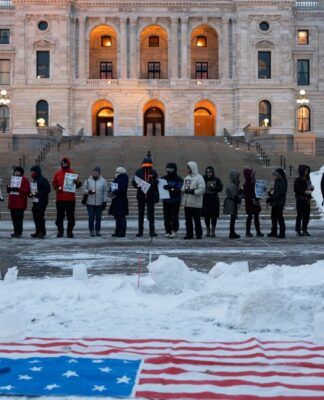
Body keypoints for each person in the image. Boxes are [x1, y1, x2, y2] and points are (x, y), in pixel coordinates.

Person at [52, 157, 81, 238]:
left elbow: (78, 185)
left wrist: (76, 183)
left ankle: (69, 231)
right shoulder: (57, 173)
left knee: (71, 217)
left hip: (70, 199)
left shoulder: (72, 173)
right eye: (63, 163)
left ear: (68, 163)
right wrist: (56, 188)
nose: (64, 164)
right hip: (60, 199)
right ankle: (60, 231)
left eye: (65, 163)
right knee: (59, 217)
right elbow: (54, 184)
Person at [132, 155, 159, 237]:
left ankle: (152, 231)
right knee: (141, 214)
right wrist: (138, 186)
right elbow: (133, 182)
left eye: (149, 166)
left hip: (151, 196)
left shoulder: (153, 172)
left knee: (151, 215)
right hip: (141, 196)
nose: (147, 167)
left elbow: (156, 183)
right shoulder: (138, 172)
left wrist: (155, 182)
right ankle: (140, 232)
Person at [182, 161, 205, 240]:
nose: (187, 169)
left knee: (197, 220)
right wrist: (184, 190)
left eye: (188, 168)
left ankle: (199, 234)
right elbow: (184, 187)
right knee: (188, 221)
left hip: (196, 203)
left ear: (192, 168)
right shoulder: (187, 178)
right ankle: (189, 234)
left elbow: (201, 190)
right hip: (187, 203)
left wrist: (193, 191)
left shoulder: (199, 178)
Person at [83, 166, 108, 237]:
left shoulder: (103, 181)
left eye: (97, 171)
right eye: (94, 171)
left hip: (99, 203)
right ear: (92, 172)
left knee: (98, 217)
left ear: (99, 173)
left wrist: (104, 201)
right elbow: (83, 190)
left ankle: (97, 231)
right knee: (91, 217)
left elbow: (105, 192)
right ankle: (91, 231)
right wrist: (89, 191)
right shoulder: (88, 181)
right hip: (90, 203)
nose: (96, 173)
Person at [7, 166, 30, 238]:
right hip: (12, 202)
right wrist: (8, 187)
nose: (16, 172)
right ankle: (15, 231)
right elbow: (9, 191)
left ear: (21, 172)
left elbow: (27, 190)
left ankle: (19, 232)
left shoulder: (25, 179)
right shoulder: (12, 179)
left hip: (20, 203)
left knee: (18, 218)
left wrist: (18, 189)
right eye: (15, 171)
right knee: (13, 218)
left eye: (18, 171)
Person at [161, 163, 183, 238]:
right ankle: (167, 231)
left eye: (171, 169)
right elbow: (160, 186)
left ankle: (174, 230)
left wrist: (170, 188)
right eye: (168, 169)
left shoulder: (179, 179)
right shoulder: (164, 178)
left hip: (175, 200)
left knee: (174, 216)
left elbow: (178, 188)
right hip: (166, 200)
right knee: (166, 216)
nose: (169, 171)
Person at [29, 165, 51, 238]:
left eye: (33, 172)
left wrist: (39, 194)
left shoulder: (43, 179)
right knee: (35, 216)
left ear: (37, 172)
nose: (31, 173)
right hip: (35, 202)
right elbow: (33, 191)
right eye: (31, 172)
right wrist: (30, 194)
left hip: (42, 201)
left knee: (40, 216)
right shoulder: (34, 181)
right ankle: (37, 231)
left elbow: (47, 189)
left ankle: (42, 231)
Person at [202, 166, 223, 237]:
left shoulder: (216, 179)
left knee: (214, 217)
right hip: (206, 200)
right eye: (208, 172)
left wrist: (215, 188)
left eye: (210, 172)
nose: (209, 173)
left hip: (214, 200)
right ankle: (208, 231)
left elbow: (220, 188)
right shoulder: (203, 179)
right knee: (206, 216)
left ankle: (213, 231)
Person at [267, 168, 287, 239]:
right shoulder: (277, 180)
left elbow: (280, 192)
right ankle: (274, 231)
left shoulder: (283, 181)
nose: (274, 176)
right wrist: (270, 193)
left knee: (279, 217)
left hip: (279, 202)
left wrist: (272, 197)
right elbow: (275, 190)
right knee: (273, 217)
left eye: (275, 175)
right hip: (275, 202)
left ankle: (282, 233)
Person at [243, 168, 264, 237]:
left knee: (256, 217)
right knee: (250, 216)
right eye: (252, 175)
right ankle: (247, 231)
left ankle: (258, 231)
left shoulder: (254, 183)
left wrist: (261, 192)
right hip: (250, 202)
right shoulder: (246, 184)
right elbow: (246, 195)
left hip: (255, 202)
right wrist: (252, 198)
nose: (253, 176)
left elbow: (258, 192)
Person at [109, 167, 129, 237]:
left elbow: (122, 189)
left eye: (117, 172)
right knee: (117, 217)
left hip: (121, 200)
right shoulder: (118, 179)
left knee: (121, 217)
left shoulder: (123, 179)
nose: (115, 173)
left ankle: (122, 232)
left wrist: (114, 191)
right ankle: (117, 231)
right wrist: (110, 190)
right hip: (116, 200)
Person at [294, 164, 314, 236]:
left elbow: (310, 187)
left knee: (306, 216)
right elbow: (296, 189)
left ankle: (304, 229)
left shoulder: (308, 179)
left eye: (308, 170)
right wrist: (304, 192)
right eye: (306, 170)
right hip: (300, 200)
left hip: (307, 200)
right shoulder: (298, 179)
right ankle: (298, 230)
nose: (307, 171)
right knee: (299, 216)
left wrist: (311, 188)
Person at [223, 171, 242, 239]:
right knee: (233, 218)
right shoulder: (232, 185)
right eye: (237, 177)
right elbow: (235, 195)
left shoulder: (233, 184)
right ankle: (232, 232)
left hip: (232, 202)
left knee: (233, 218)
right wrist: (241, 194)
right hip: (232, 203)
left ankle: (232, 232)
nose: (238, 178)